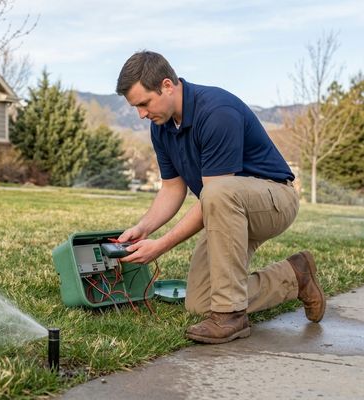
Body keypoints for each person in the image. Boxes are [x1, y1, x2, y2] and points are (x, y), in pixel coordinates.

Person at [115, 50, 326, 344]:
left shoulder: (216, 112)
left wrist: (160, 246)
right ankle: (296, 275)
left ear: (166, 85)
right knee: (200, 302)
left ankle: (232, 317)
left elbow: (213, 195)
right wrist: (143, 229)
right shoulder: (161, 128)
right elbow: (172, 189)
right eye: (135, 107)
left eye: (144, 103)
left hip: (275, 200)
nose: (141, 114)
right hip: (227, 208)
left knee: (217, 192)